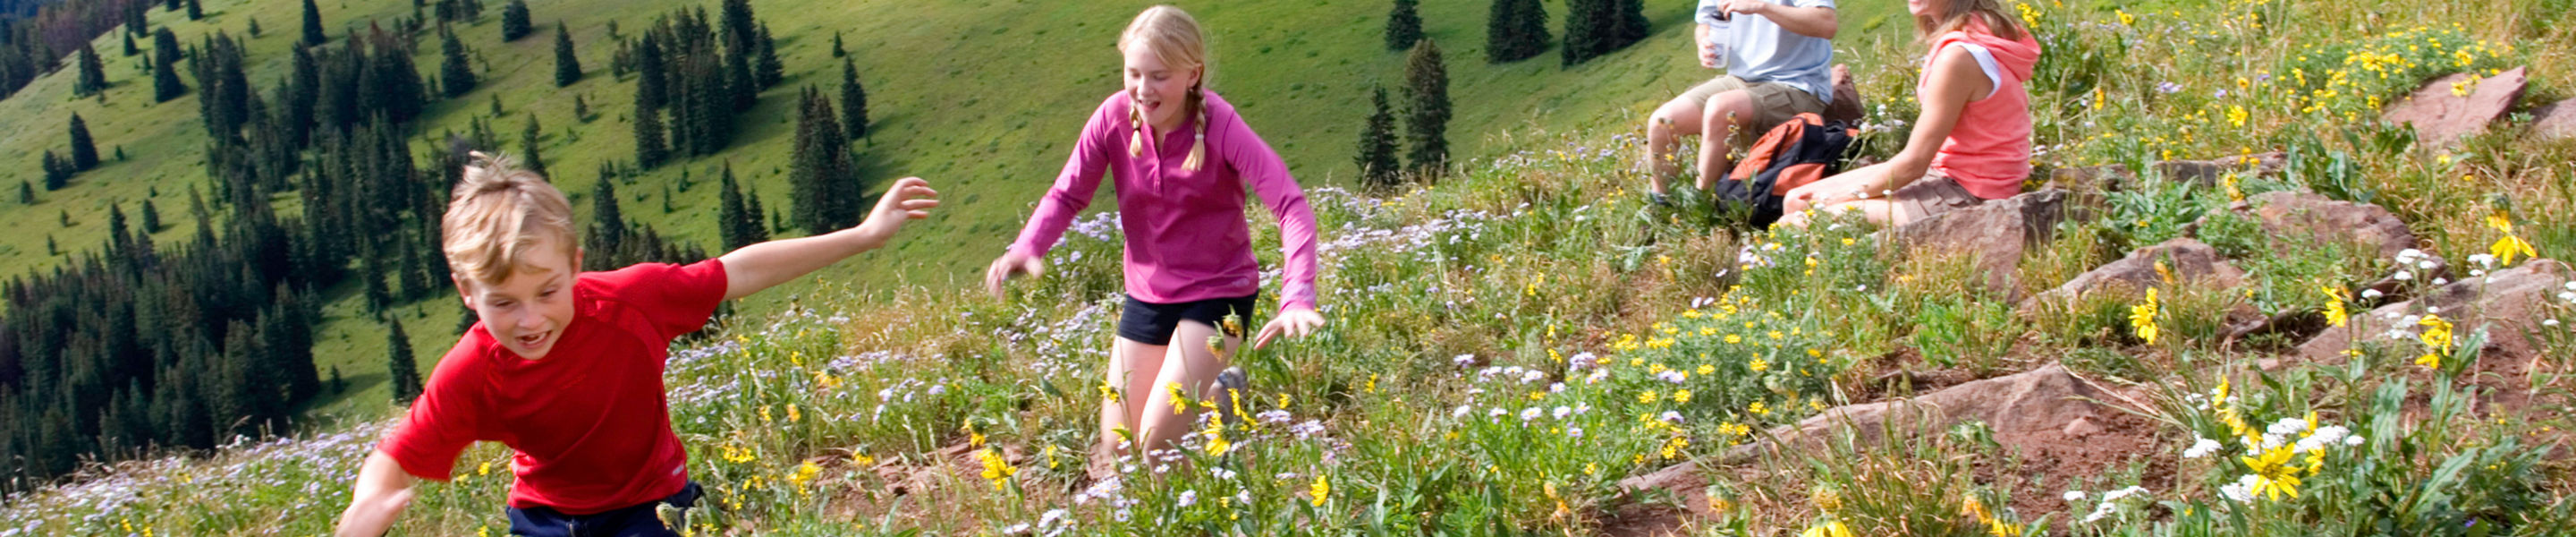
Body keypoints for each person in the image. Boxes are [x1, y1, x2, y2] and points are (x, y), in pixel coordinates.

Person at [333, 153, 940, 537]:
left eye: (547, 291)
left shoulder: (632, 301)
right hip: (543, 520)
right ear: (467, 291)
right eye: (502, 302)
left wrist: (863, 236)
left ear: (575, 264)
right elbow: (399, 451)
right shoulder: (471, 371)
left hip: (651, 505)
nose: (529, 320)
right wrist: (363, 513)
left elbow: (738, 272)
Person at [983, 5, 1326, 476]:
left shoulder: (1222, 124)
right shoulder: (1112, 119)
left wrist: (1297, 295)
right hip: (1148, 295)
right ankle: (1220, 393)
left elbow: (1290, 204)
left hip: (1223, 299)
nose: (1144, 90)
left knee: (1158, 444)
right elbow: (1067, 193)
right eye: (1134, 73)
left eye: (1160, 76)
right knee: (1119, 447)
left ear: (1193, 74)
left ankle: (1202, 513)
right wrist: (1027, 246)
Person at [1778, 0, 2040, 227]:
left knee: (1800, 221)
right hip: (1953, 177)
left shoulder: (1958, 57)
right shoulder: (1978, 32)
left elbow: (1913, 164)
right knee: (1796, 199)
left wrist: (1836, 198)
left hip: (1969, 194)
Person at [1642, 0, 1842, 203]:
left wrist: (1762, 6)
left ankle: (1702, 207)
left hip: (1799, 85)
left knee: (1721, 108)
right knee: (1663, 122)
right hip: (1741, 79)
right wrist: (1704, 41)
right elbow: (1706, 21)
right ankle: (1663, 206)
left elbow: (1826, 24)